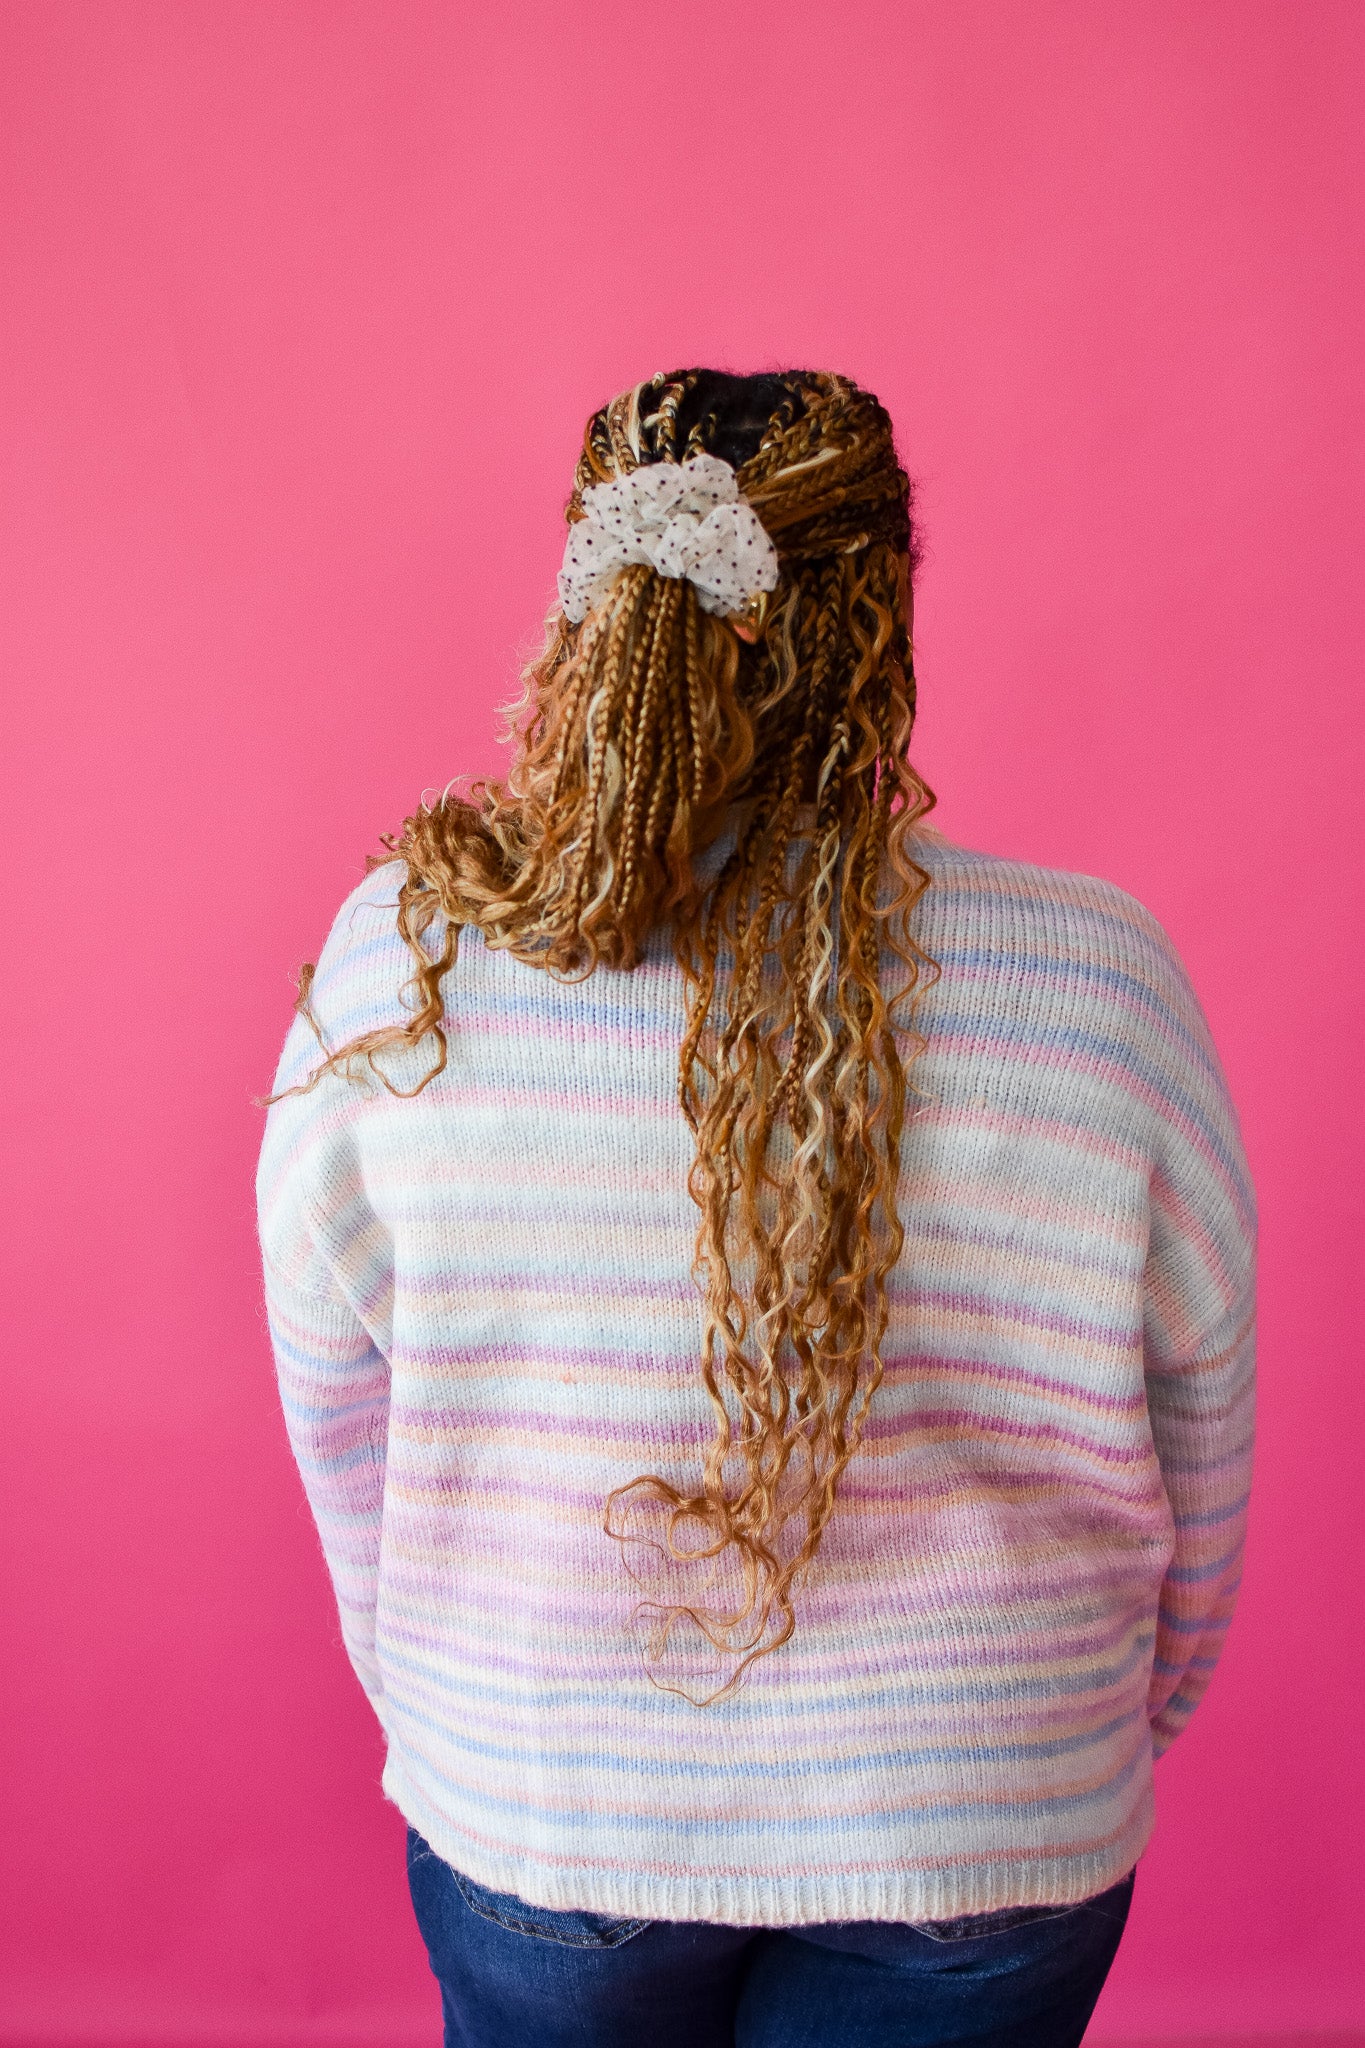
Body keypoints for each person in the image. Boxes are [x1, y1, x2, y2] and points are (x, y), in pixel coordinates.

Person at [257, 369, 1256, 2048]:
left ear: (588, 595)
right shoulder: (1095, 984)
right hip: (980, 1800)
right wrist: (1078, 1739)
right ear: (877, 623)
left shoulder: (406, 964)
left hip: (544, 1788)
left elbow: (340, 1414)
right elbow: (1197, 1423)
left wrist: (450, 1708)